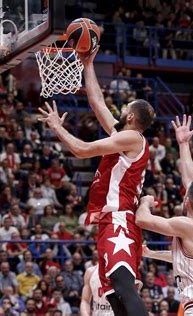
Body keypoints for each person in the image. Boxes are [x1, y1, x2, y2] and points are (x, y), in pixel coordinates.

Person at [39, 47, 154, 316]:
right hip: (110, 221)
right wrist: (87, 64)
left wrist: (57, 127)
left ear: (131, 117)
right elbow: (97, 101)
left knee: (124, 289)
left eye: (125, 108)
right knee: (115, 299)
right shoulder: (124, 137)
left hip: (119, 220)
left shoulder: (132, 138)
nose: (121, 110)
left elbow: (81, 149)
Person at [137, 115, 193, 315]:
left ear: (186, 202)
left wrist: (145, 202)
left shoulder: (187, 226)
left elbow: (142, 220)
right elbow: (191, 182)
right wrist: (183, 144)